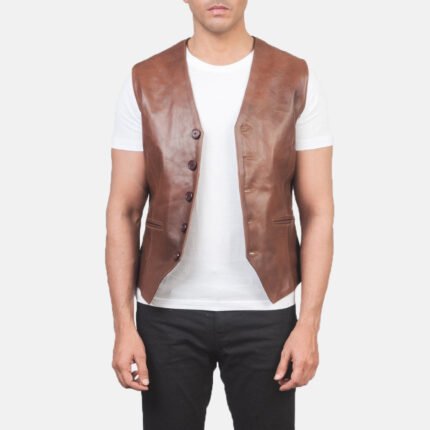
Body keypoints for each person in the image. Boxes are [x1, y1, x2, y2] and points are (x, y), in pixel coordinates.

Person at [105, 1, 334, 429]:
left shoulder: (294, 76)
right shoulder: (145, 79)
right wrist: (123, 325)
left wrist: (309, 324)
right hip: (166, 313)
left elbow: (318, 211)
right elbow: (124, 210)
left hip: (267, 310)